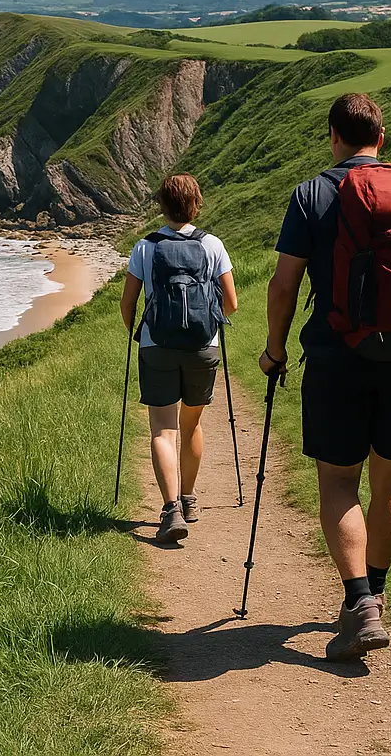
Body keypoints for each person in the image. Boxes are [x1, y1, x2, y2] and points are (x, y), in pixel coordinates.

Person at [260, 93, 391, 661]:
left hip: (336, 359)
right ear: (382, 135)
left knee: (337, 482)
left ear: (334, 135)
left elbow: (282, 286)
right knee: (389, 484)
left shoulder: (312, 194)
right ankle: (375, 593)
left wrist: (274, 350)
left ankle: (359, 604)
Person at [121, 173, 239, 545]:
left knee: (162, 429)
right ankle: (189, 500)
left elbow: (128, 304)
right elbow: (231, 303)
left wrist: (138, 336)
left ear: (161, 204)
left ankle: (170, 508)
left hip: (156, 346)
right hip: (203, 346)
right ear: (196, 203)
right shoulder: (213, 245)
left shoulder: (146, 247)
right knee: (192, 424)